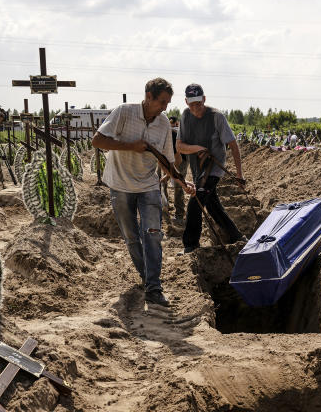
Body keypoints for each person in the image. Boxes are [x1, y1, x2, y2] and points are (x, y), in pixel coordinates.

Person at [92, 77, 195, 307]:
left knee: (153, 234)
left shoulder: (163, 123)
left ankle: (153, 287)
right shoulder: (123, 113)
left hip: (149, 186)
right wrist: (131, 146)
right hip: (120, 185)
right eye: (162, 102)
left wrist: (183, 182)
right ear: (148, 97)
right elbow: (97, 140)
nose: (165, 107)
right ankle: (146, 276)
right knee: (131, 237)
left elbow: (167, 161)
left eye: (168, 103)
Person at [177, 83, 245, 253]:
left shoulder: (216, 117)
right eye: (192, 104)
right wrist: (198, 148)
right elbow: (179, 146)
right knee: (213, 207)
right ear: (186, 102)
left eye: (198, 104)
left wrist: (239, 174)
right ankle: (237, 236)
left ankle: (191, 245)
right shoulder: (185, 116)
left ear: (204, 99)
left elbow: (233, 145)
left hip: (214, 169)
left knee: (196, 201)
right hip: (198, 169)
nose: (195, 108)